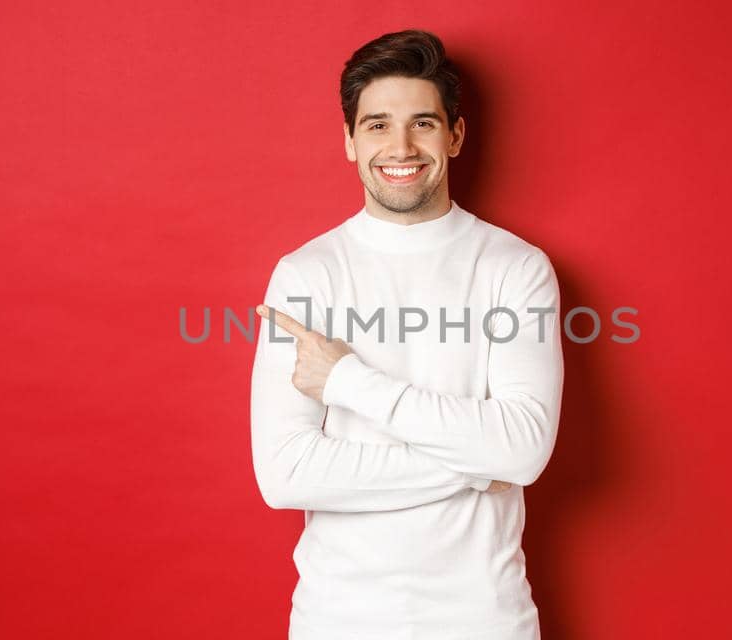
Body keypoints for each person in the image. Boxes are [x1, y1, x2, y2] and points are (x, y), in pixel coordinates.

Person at [249, 28, 564, 640]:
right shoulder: (306, 274)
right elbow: (285, 474)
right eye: (376, 125)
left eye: (422, 122)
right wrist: (474, 466)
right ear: (348, 140)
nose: (400, 146)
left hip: (487, 620)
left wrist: (346, 380)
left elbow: (523, 449)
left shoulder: (516, 268)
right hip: (338, 621)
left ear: (455, 134)